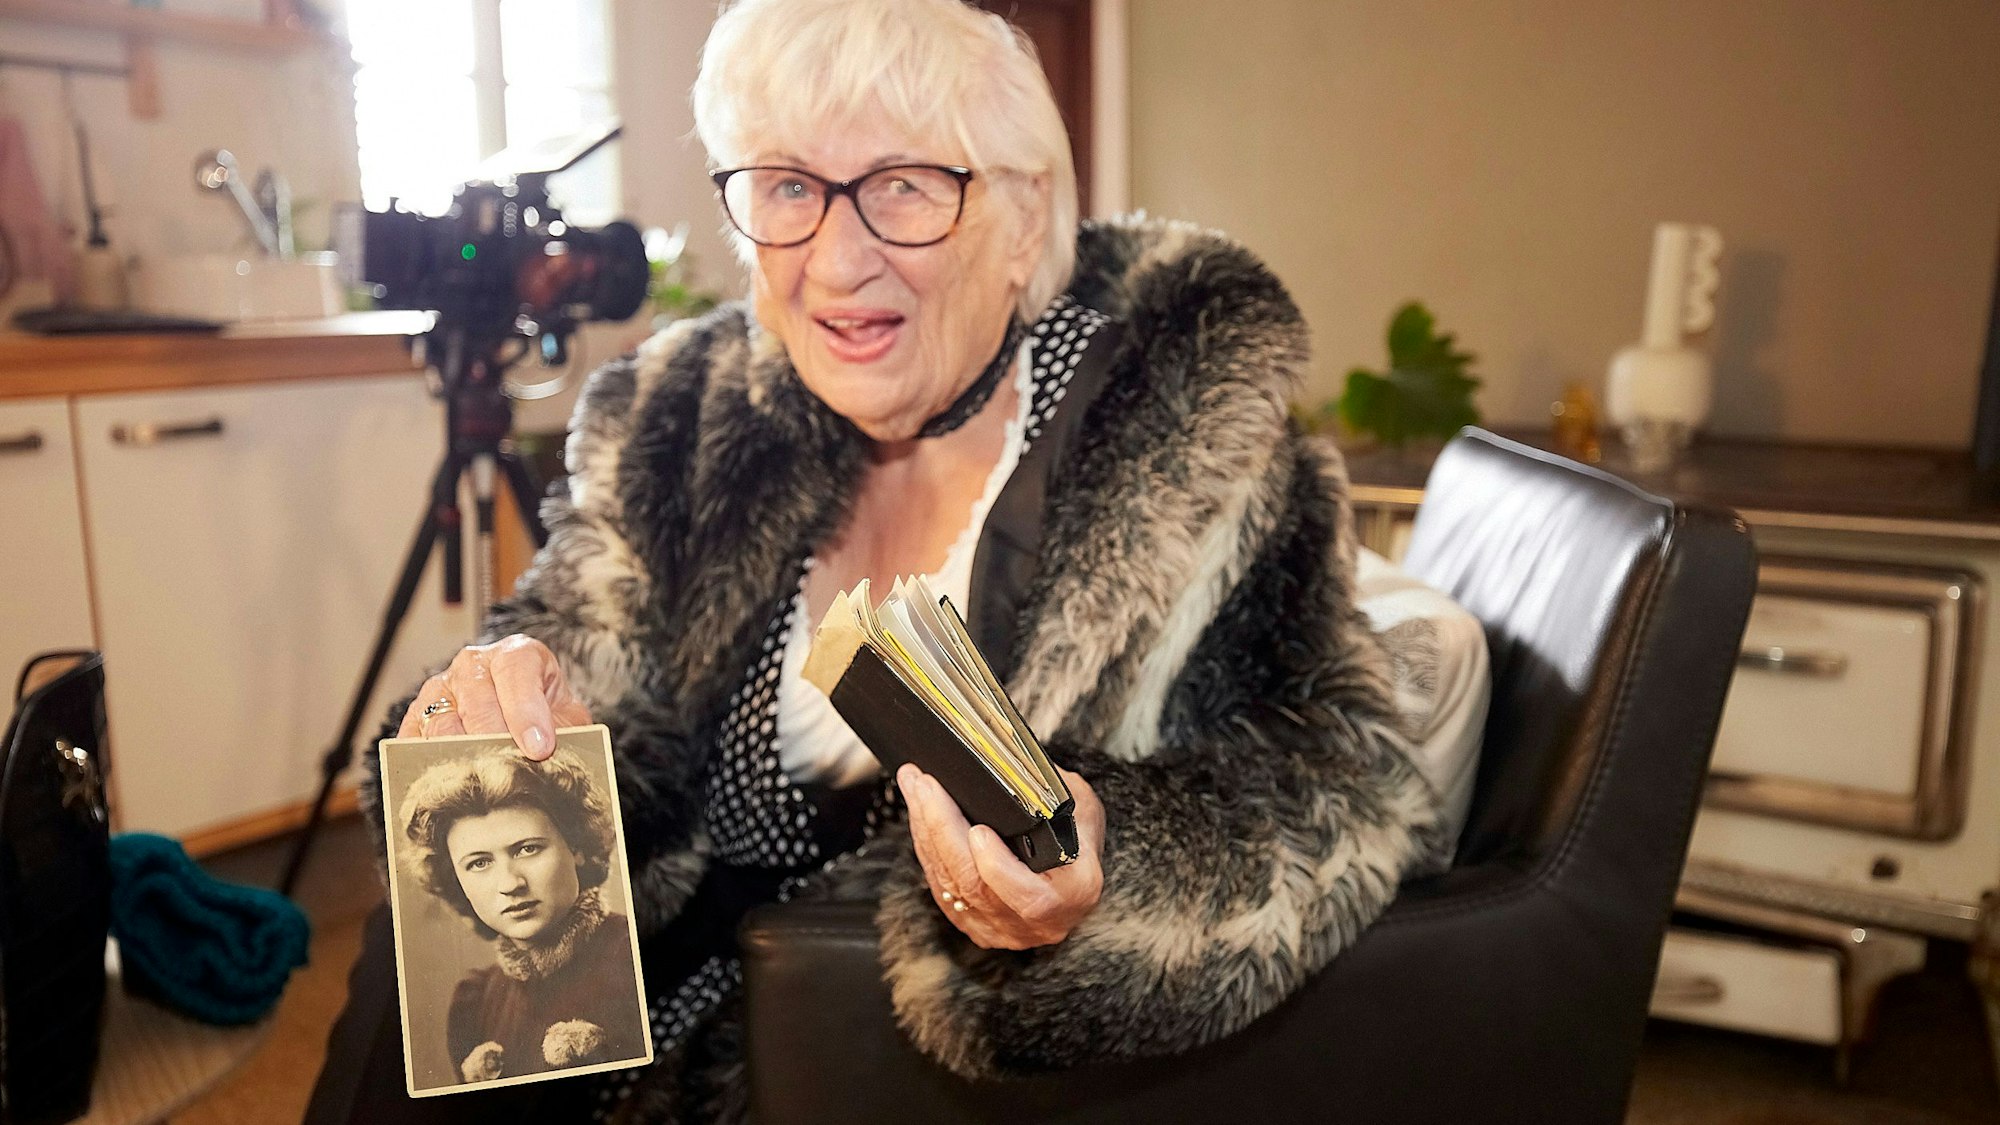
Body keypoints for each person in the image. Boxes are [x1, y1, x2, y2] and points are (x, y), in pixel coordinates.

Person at [308, 0, 1448, 1120]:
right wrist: (509, 705)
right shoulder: (685, 412)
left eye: (904, 186)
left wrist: (1109, 866)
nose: (837, 261)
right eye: (789, 189)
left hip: (859, 1049)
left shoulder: (1180, 426)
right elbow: (580, 632)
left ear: (1018, 216)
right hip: (633, 983)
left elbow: (1337, 772)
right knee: (409, 980)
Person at [396, 748, 644, 1088]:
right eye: (479, 863)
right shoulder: (475, 1002)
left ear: (578, 849)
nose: (511, 884)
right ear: (458, 882)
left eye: (527, 848)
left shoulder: (634, 952)